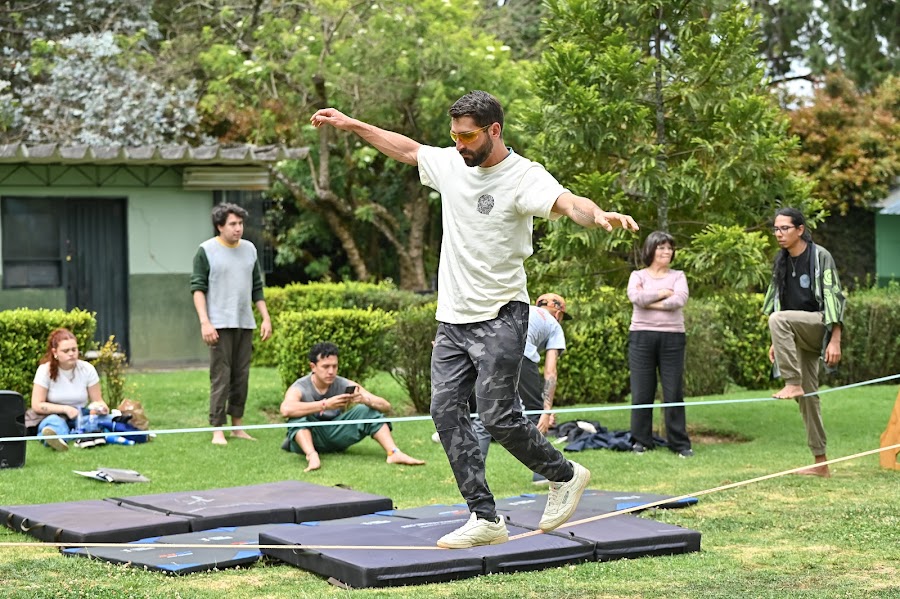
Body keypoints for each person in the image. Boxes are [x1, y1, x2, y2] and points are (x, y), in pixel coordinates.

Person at [311, 90, 639, 549]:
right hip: (452, 318)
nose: (460, 144)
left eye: (468, 136)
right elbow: (406, 148)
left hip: (502, 312)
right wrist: (352, 124)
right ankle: (484, 516)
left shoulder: (524, 176)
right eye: (455, 135)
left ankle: (564, 475)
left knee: (497, 414)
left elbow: (568, 203)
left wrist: (597, 214)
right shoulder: (450, 164)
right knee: (445, 412)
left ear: (494, 130)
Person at [762, 207, 845, 477]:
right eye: (775, 229)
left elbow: (834, 296)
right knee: (809, 400)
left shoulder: (820, 257)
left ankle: (792, 383)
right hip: (794, 331)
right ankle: (821, 463)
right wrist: (777, 341)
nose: (779, 234)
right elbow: (779, 304)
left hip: (818, 325)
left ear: (800, 229)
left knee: (777, 319)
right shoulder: (781, 261)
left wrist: (835, 339)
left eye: (784, 228)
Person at [191, 202, 272, 445]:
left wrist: (265, 317)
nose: (238, 229)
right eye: (233, 224)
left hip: (244, 323)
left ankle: (238, 426)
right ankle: (217, 428)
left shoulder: (249, 250)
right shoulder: (206, 251)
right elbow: (198, 288)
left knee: (241, 375)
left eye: (240, 223)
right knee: (220, 375)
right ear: (220, 226)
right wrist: (205, 322)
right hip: (218, 323)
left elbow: (257, 287)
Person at [469, 292, 571, 484]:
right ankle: (543, 474)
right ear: (558, 313)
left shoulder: (523, 310)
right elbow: (550, 372)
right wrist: (546, 410)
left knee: (486, 416)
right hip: (521, 355)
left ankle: (472, 479)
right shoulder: (554, 325)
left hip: (489, 353)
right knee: (536, 414)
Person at [279, 342, 425, 472]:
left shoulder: (343, 383)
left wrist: (365, 400)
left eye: (334, 366)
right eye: (326, 367)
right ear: (313, 367)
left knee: (366, 410)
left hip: (337, 434)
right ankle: (312, 456)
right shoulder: (300, 386)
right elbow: (285, 409)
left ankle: (394, 453)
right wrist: (325, 404)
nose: (331, 371)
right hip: (311, 437)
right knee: (297, 416)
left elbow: (386, 406)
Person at [627, 231, 693, 458]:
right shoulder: (638, 275)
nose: (666, 252)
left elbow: (679, 300)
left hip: (672, 337)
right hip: (641, 336)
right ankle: (641, 441)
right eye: (661, 247)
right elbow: (636, 298)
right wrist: (663, 294)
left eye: (669, 248)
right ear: (651, 250)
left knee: (673, 389)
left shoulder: (678, 275)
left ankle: (680, 444)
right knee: (642, 391)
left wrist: (651, 300)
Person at [31, 328, 109, 451]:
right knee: (55, 424)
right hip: (54, 415)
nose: (71, 353)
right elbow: (36, 405)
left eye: (74, 349)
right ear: (55, 352)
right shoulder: (44, 370)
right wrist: (65, 409)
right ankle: (56, 438)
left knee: (105, 420)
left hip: (81, 415)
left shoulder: (87, 369)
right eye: (66, 351)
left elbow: (98, 400)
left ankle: (69, 435)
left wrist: (101, 408)